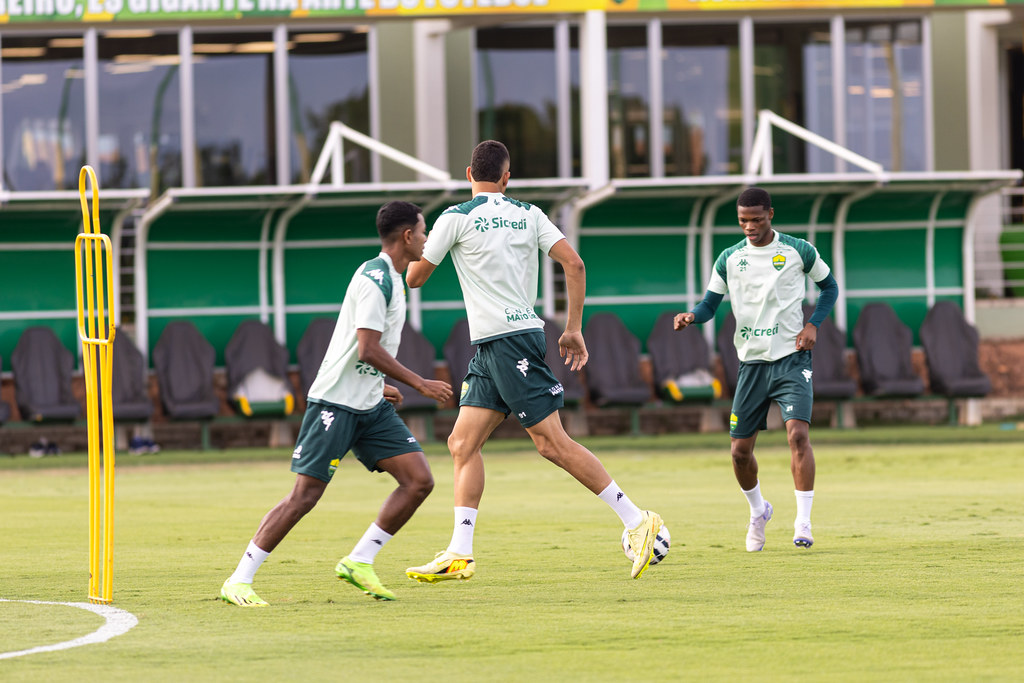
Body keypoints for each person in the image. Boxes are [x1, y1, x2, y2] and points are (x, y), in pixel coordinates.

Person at [403, 140, 663, 582]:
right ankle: (459, 551)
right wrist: (573, 327)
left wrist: (409, 250)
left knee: (551, 444)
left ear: (469, 174)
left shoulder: (455, 218)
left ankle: (638, 521)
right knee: (462, 444)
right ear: (507, 178)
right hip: (502, 341)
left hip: (506, 343)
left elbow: (415, 277)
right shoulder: (530, 213)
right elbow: (574, 265)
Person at [220, 200, 453, 606]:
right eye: (424, 230)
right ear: (407, 236)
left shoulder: (394, 281)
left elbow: (357, 350)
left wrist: (379, 387)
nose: (427, 238)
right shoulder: (374, 279)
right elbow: (366, 348)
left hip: (368, 405)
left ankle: (360, 560)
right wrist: (419, 383)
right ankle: (239, 579)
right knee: (304, 497)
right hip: (334, 404)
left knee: (419, 481)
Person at [673, 187, 838, 551]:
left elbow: (829, 288)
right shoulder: (729, 258)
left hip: (792, 359)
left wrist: (814, 325)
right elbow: (709, 305)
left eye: (757, 220)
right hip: (751, 363)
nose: (750, 226)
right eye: (743, 220)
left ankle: (803, 522)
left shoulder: (798, 250)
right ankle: (758, 511)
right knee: (739, 453)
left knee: (797, 436)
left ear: (771, 215)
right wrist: (691, 317)